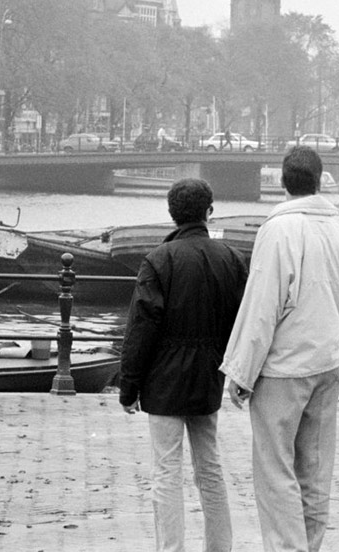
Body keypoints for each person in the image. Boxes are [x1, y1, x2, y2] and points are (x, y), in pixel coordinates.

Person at [220, 146, 339, 552]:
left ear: (282, 182)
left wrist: (241, 372)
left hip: (282, 368)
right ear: (320, 180)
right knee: (315, 472)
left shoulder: (278, 230)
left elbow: (262, 307)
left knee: (276, 472)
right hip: (326, 365)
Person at [119, 178, 249, 552]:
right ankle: (219, 547)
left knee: (166, 471)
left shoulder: (159, 260)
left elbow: (142, 327)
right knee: (210, 469)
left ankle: (171, 548)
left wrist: (129, 385)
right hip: (208, 376)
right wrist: (237, 371)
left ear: (172, 214)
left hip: (163, 381)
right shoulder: (231, 259)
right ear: (210, 211)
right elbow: (242, 322)